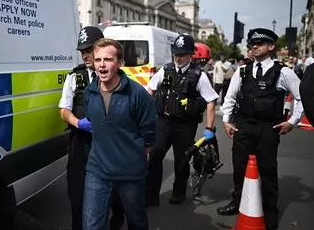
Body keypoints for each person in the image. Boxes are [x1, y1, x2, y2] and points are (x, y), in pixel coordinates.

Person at [217, 28, 304, 230]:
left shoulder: (283, 72)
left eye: (259, 43)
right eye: (251, 44)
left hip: (268, 128)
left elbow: (301, 98)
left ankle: (270, 211)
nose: (254, 47)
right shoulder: (243, 70)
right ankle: (238, 201)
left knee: (267, 171)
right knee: (239, 167)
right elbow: (229, 97)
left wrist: (292, 122)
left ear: (271, 47)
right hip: (244, 125)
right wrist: (227, 121)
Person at [82, 38, 157, 230]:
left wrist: (138, 156)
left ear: (120, 63)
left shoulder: (138, 94)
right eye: (98, 60)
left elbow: (148, 132)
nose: (102, 65)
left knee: (137, 222)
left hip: (130, 173)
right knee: (91, 226)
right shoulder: (89, 92)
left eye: (107, 59)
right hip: (97, 171)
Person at [58, 26, 125, 230]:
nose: (85, 55)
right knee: (77, 194)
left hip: (110, 145)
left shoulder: (117, 76)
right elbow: (63, 109)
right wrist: (78, 123)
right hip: (81, 143)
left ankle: (116, 220)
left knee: (115, 194)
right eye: (82, 51)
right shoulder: (74, 77)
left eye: (89, 50)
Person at [146, 34, 219, 206]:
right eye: (176, 54)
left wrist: (209, 129)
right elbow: (150, 90)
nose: (178, 58)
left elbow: (211, 102)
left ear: (191, 55)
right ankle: (150, 194)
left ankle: (178, 192)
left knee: (182, 159)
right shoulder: (166, 69)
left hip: (185, 125)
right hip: (164, 121)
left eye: (182, 54)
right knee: (155, 155)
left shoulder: (198, 75)